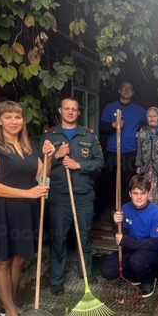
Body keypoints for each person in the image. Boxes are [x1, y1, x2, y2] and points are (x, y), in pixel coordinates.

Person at [0, 101, 54, 316]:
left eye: (17, 117)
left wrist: (49, 158)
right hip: (0, 209)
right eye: (8, 117)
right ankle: (9, 309)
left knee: (19, 258)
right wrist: (27, 193)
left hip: (24, 210)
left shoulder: (28, 148)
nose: (14, 121)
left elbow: (41, 179)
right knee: (3, 259)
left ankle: (10, 302)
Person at [40, 98, 104, 295]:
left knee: (84, 234)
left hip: (83, 194)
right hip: (59, 195)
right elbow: (41, 168)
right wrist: (57, 155)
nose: (70, 112)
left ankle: (86, 272)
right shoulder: (49, 137)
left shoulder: (89, 136)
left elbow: (100, 162)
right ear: (60, 110)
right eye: (66, 109)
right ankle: (57, 279)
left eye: (74, 109)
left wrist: (79, 166)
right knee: (59, 236)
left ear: (78, 113)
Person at [101, 175, 158, 298]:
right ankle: (135, 274)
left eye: (143, 193)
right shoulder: (125, 208)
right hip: (132, 250)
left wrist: (126, 241)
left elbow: (154, 244)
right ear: (130, 193)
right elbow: (121, 236)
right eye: (135, 193)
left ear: (148, 193)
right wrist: (115, 223)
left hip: (153, 252)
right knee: (107, 270)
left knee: (137, 261)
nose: (139, 197)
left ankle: (149, 279)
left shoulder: (157, 213)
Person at [98, 82, 147, 212]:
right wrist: (113, 125)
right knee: (107, 182)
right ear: (119, 91)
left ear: (133, 93)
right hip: (112, 151)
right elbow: (101, 128)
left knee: (127, 184)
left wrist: (142, 131)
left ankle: (125, 212)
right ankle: (100, 213)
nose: (126, 90)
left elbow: (154, 119)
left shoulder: (138, 110)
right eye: (124, 88)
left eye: (129, 89)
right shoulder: (110, 107)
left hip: (130, 152)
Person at [136, 107, 158, 210]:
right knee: (144, 194)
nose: (152, 118)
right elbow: (139, 149)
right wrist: (138, 165)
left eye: (154, 116)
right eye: (149, 116)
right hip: (145, 170)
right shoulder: (143, 131)